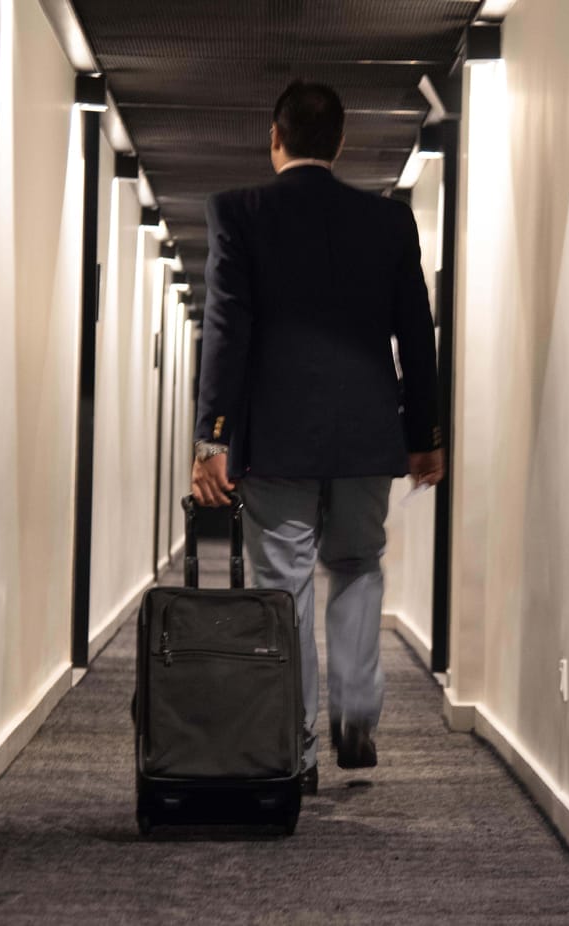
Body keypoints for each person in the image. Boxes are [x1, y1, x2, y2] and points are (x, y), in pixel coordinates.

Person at [190, 80, 445, 796]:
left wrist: (213, 434)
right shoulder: (388, 222)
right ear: (341, 144)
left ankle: (294, 741)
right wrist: (425, 430)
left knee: (283, 582)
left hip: (276, 437)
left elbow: (227, 331)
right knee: (359, 562)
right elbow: (415, 334)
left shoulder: (237, 212)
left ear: (275, 139)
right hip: (368, 432)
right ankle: (357, 711)